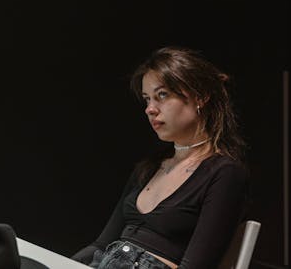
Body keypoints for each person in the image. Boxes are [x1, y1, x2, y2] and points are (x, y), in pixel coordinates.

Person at [72, 46, 249, 269]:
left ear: (200, 97)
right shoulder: (148, 168)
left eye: (162, 95)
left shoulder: (224, 172)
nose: (150, 109)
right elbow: (100, 245)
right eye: (147, 99)